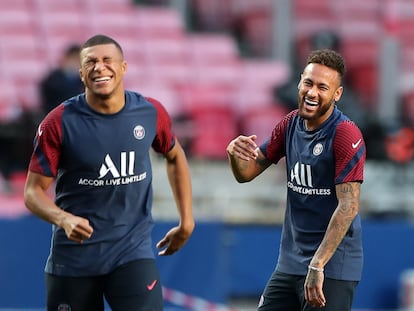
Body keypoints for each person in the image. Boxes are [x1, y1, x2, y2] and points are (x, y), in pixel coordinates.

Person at [24, 34, 195, 311]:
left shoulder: (150, 112)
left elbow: (174, 156)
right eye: (91, 62)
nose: (99, 67)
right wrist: (63, 219)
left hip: (132, 253)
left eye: (107, 60)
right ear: (81, 74)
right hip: (73, 260)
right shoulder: (58, 122)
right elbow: (32, 192)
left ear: (123, 67)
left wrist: (186, 220)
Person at [226, 49, 366, 311]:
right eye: (309, 83)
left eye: (323, 87)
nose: (312, 93)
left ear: (337, 94)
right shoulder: (290, 123)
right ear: (300, 81)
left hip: (332, 266)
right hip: (290, 263)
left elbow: (349, 206)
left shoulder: (345, 134)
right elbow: (246, 174)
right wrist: (234, 154)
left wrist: (318, 264)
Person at [40, 44, 84, 115]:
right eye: (73, 59)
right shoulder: (52, 80)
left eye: (78, 60)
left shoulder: (85, 81)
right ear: (66, 59)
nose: (75, 63)